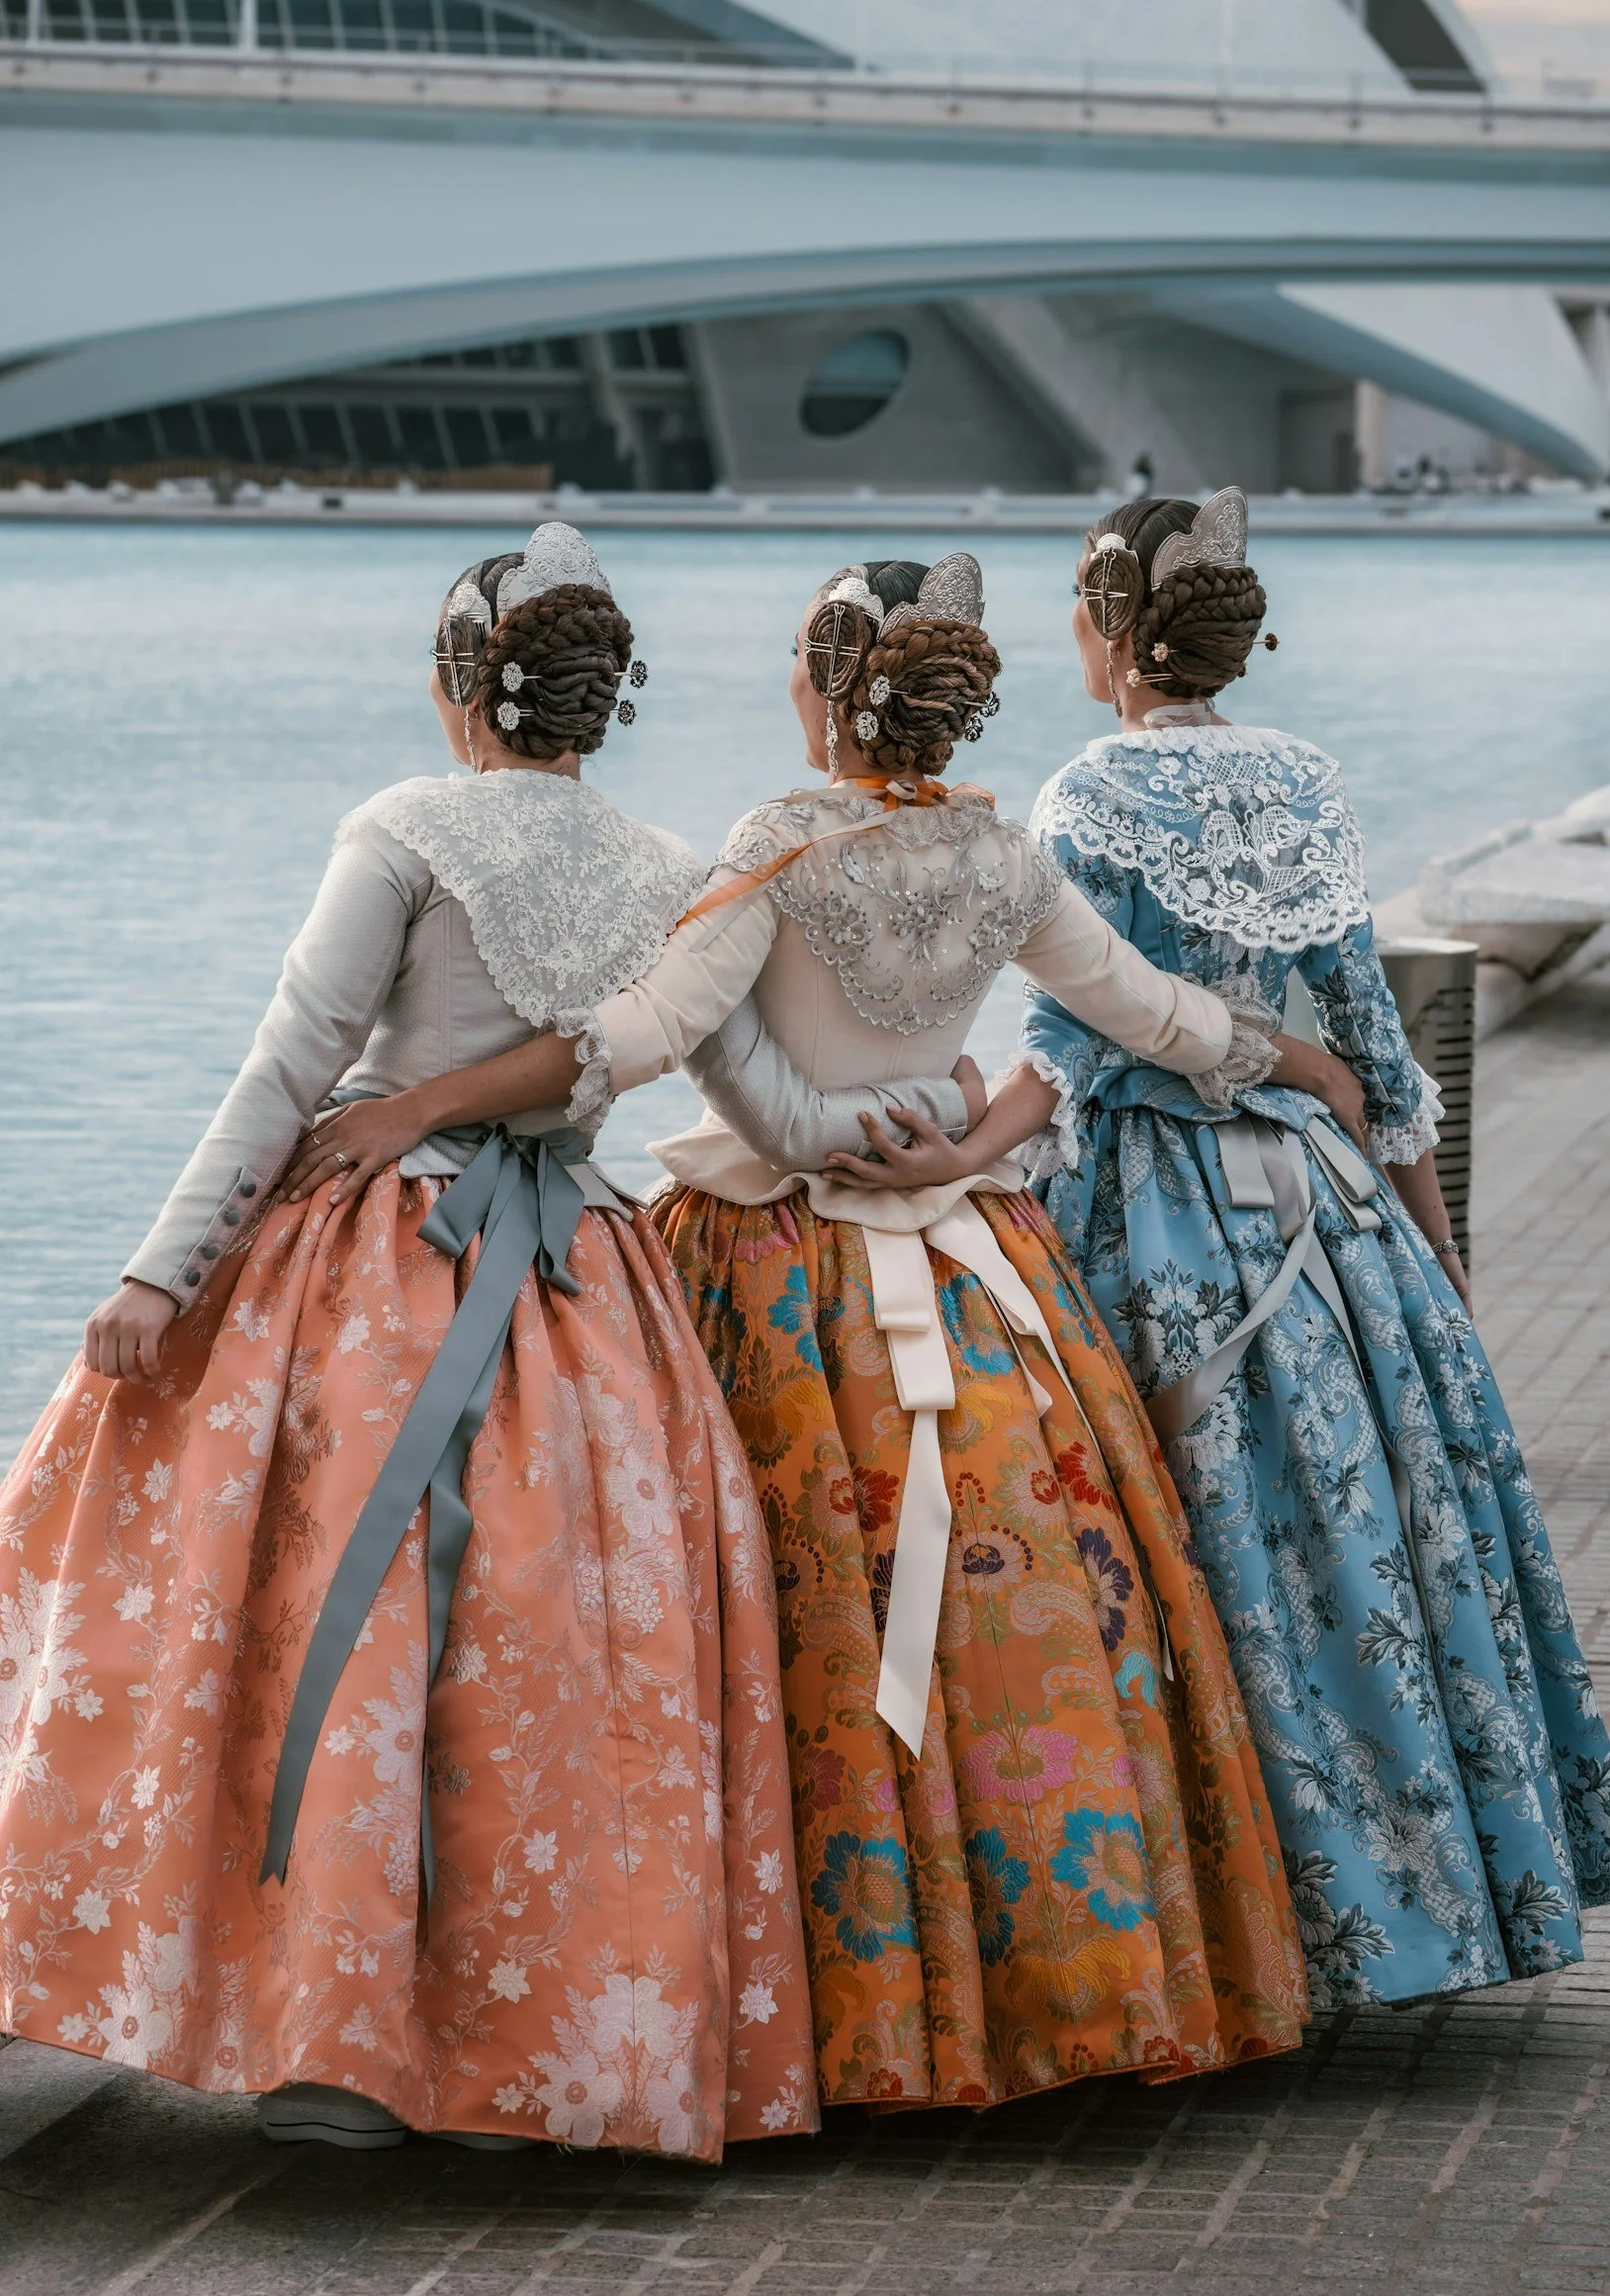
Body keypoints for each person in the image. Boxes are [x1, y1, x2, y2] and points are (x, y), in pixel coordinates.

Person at [286, 552, 1313, 2110]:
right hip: (978, 1267)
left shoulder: (774, 849)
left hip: (781, 1276)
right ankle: (1068, 1988)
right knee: (1039, 1617)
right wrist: (1295, 1061)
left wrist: (426, 1100)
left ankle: (804, 2008)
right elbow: (1148, 1016)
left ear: (829, 684)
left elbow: (635, 1039)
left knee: (760, 1619)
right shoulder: (1004, 862)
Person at [0, 522, 886, 2158]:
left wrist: (153, 1275)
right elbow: (769, 1107)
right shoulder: (670, 865)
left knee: (287, 1614)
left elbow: (290, 1072)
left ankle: (326, 2042)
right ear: (596, 703)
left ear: (462, 687)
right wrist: (950, 1122)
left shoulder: (403, 829)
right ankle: (530, 2048)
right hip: (581, 1286)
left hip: (369, 1264)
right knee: (546, 1659)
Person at [834, 494, 1610, 2010]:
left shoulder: (1085, 795)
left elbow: (1063, 1045)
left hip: (1149, 1206)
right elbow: (1371, 1046)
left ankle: (1229, 1920)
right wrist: (1436, 1255)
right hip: (1329, 1209)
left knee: (1172, 1542)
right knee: (1368, 1533)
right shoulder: (1309, 783)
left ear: (1116, 627)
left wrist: (952, 1160)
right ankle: (1431, 1895)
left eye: (1076, 605)